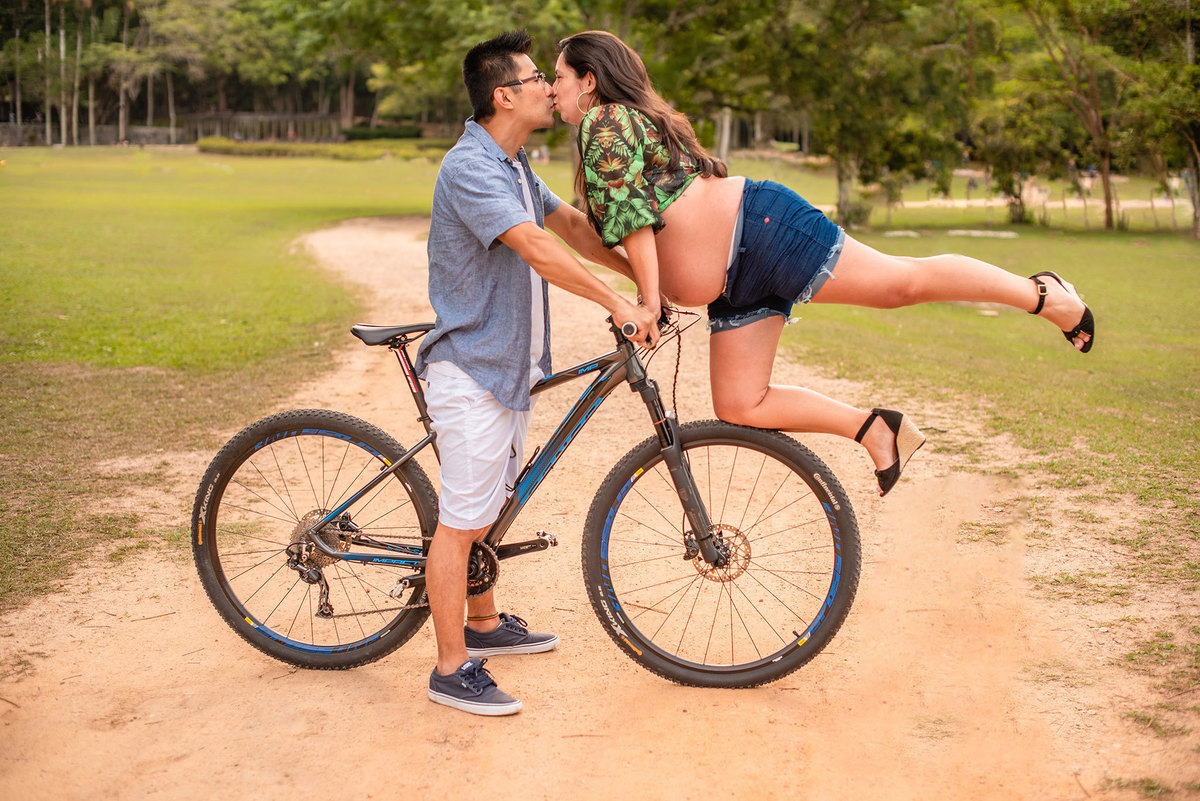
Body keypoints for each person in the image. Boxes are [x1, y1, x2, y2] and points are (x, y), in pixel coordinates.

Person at [551, 30, 1095, 497]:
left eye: (558, 77)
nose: (552, 90)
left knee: (899, 284)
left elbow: (637, 223)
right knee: (742, 403)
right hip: (736, 279)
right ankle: (875, 430)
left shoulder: (604, 121)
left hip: (760, 231)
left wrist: (649, 300)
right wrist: (651, 290)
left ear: (589, 80)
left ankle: (1043, 295)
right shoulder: (610, 128)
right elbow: (620, 230)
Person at [414, 30, 656, 717]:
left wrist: (645, 281)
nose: (551, 88)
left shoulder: (514, 163)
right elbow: (535, 246)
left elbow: (572, 227)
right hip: (471, 368)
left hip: (505, 365)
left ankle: (484, 623)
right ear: (503, 95)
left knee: (490, 506)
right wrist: (617, 303)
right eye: (535, 78)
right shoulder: (471, 167)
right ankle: (450, 667)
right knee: (461, 520)